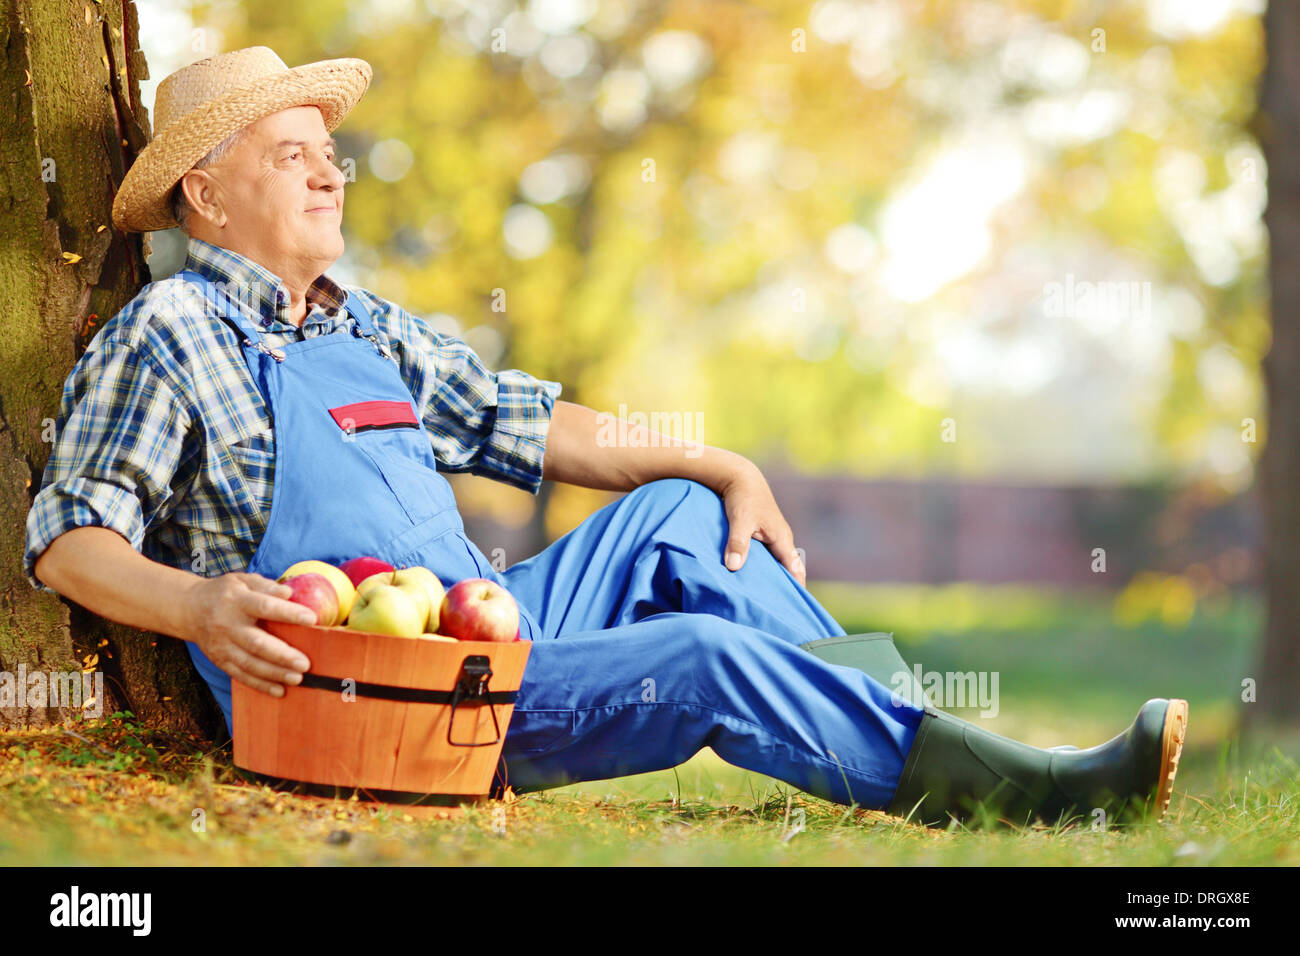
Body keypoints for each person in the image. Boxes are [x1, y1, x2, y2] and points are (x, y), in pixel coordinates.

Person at [24, 47, 1187, 829]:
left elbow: (520, 422)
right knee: (696, 656)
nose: (331, 171)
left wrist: (716, 460)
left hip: (483, 629)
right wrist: (197, 607)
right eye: (291, 155)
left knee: (685, 514)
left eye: (329, 151)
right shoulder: (170, 330)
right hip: (380, 702)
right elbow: (69, 537)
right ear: (206, 198)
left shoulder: (357, 321)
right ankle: (1019, 793)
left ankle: (921, 728)